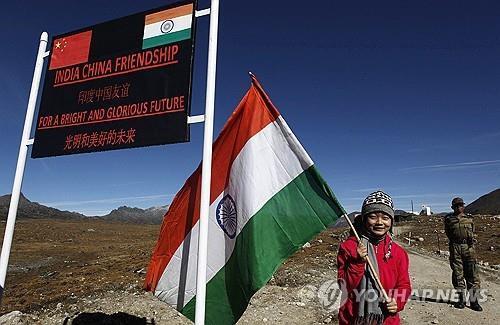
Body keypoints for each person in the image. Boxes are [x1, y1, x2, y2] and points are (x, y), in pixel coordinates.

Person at [337, 191, 411, 325]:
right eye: (373, 216)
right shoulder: (349, 247)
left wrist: (398, 302)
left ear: (391, 221)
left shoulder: (398, 253)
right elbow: (344, 287)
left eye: (385, 217)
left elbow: (404, 285)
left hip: (386, 319)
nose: (379, 222)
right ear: (364, 219)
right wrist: (357, 261)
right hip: (353, 318)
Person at [444, 197, 482, 311]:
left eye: (461, 205)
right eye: (456, 206)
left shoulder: (469, 218)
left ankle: (474, 302)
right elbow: (448, 233)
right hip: (455, 247)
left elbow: (473, 231)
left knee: (472, 274)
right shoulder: (449, 219)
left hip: (469, 248)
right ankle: (461, 300)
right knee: (457, 274)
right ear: (452, 207)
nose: (459, 207)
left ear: (463, 206)